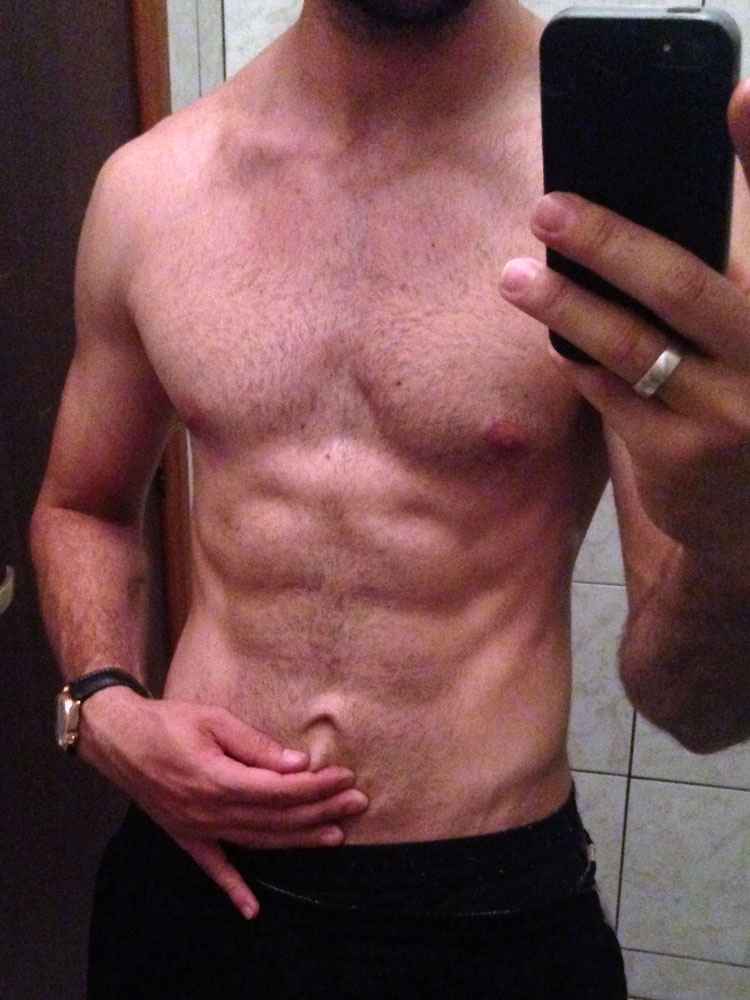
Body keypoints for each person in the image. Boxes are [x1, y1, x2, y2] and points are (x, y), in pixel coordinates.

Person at [30, 1, 750, 997]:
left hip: (481, 919)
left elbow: (697, 706)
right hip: (187, 879)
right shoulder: (152, 187)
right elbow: (82, 506)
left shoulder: (622, 204)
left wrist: (742, 540)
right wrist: (101, 703)